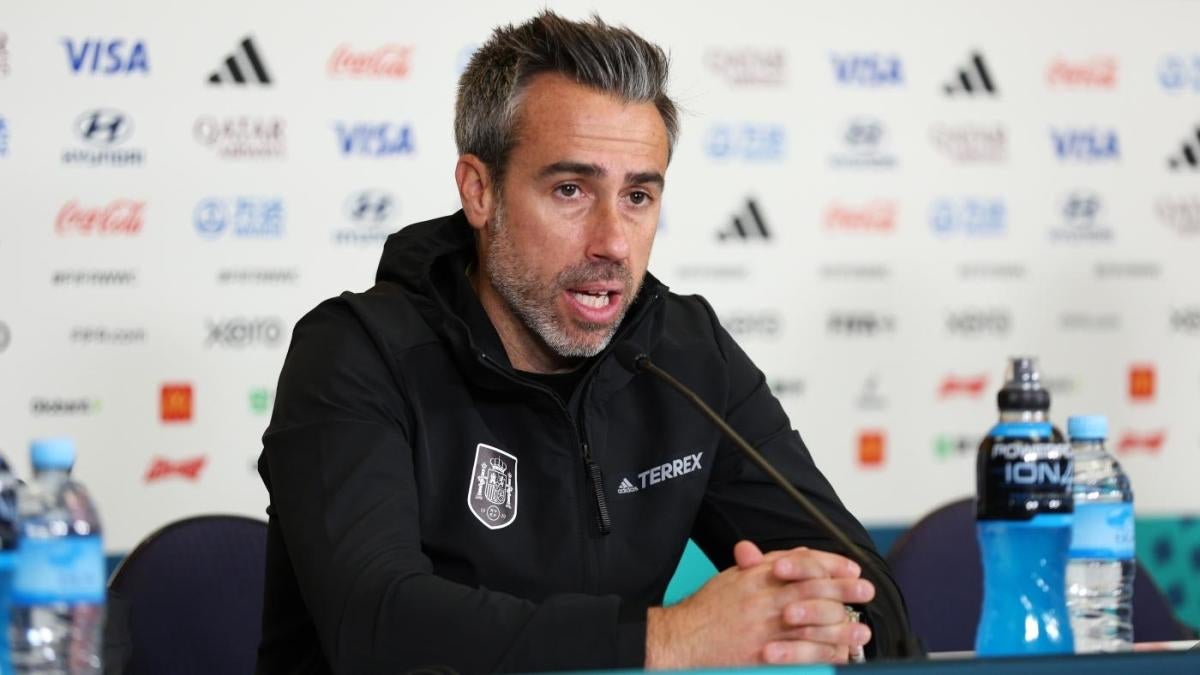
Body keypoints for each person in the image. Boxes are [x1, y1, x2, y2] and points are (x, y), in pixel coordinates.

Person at [256, 10, 915, 674]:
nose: (613, 243)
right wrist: (670, 640)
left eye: (638, 196)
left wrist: (833, 620)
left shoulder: (685, 353)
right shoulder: (356, 353)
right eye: (571, 190)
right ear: (480, 192)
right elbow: (377, 625)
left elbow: (866, 589)